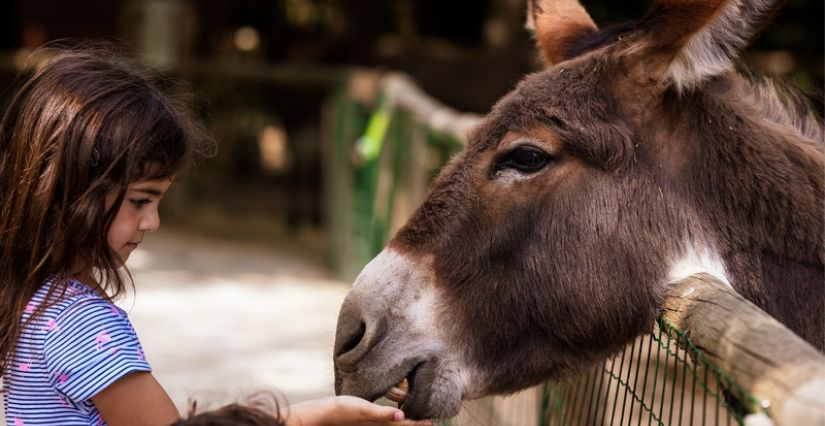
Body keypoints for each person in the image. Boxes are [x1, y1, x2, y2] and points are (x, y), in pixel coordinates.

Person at [0, 47, 430, 426]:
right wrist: (309, 419)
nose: (153, 223)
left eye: (158, 202)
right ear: (71, 188)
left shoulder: (35, 293)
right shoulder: (78, 321)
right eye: (139, 201)